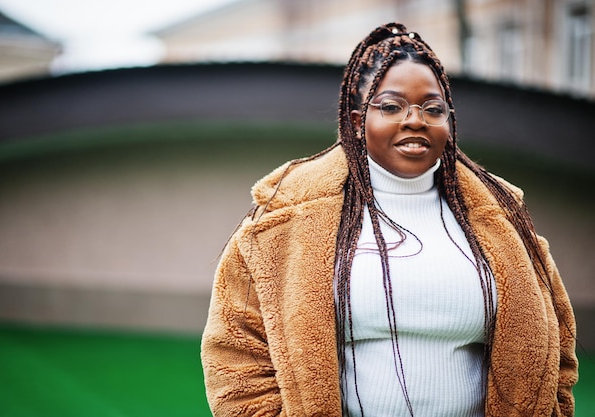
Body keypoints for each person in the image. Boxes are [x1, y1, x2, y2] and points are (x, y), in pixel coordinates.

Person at [200, 22, 578, 417]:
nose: (415, 120)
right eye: (392, 106)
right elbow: (237, 355)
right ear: (357, 119)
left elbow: (557, 352)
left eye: (433, 109)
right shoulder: (286, 218)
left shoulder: (501, 220)